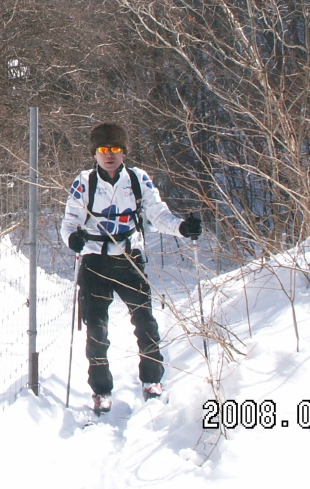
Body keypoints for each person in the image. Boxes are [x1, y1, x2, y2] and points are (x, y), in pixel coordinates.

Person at [61, 122, 201, 413]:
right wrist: (73, 239)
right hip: (95, 261)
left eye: (115, 149)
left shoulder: (138, 180)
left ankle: (152, 380)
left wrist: (182, 228)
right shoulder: (84, 182)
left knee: (145, 322)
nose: (109, 155)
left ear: (124, 152)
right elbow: (70, 222)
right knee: (96, 329)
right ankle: (101, 390)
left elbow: (157, 214)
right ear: (95, 153)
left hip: (129, 258)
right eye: (103, 149)